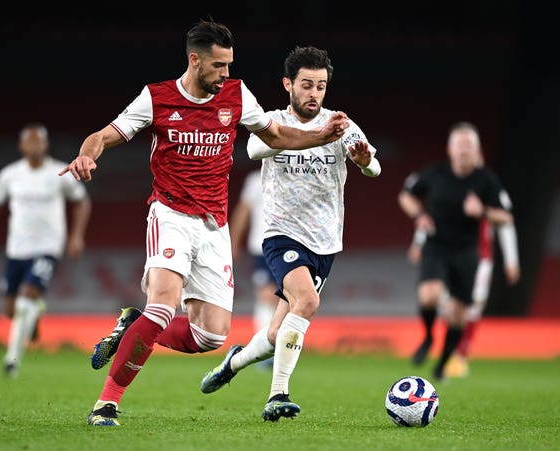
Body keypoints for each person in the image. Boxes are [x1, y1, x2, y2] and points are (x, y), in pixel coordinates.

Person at [58, 19, 349, 427]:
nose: (226, 74)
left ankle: (130, 329)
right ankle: (106, 404)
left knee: (210, 337)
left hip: (214, 225)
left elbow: (277, 135)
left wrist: (321, 138)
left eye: (229, 65)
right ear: (194, 61)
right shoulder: (156, 98)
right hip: (171, 213)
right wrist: (89, 154)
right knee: (161, 307)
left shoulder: (236, 95)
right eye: (218, 66)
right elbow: (103, 135)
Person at [199, 45, 381, 422]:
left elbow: (373, 167)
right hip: (281, 233)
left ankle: (233, 363)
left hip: (326, 241)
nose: (314, 94)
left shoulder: (341, 124)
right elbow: (252, 149)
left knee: (275, 333)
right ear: (288, 85)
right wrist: (314, 136)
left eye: (321, 86)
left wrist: (365, 163)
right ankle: (277, 395)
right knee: (308, 303)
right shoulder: (271, 122)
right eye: (306, 85)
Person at [0, 122, 92, 377]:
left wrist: (76, 237)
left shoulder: (59, 172)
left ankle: (11, 361)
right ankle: (35, 314)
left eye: (40, 142)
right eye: (30, 142)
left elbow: (81, 202)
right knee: (12, 310)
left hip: (48, 247)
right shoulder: (10, 175)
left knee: (26, 297)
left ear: (46, 145)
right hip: (16, 249)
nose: (35, 146)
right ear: (21, 146)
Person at [397, 121, 515, 381]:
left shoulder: (486, 181)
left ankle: (444, 361)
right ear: (450, 149)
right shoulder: (436, 173)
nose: (464, 150)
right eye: (459, 145)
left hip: (465, 252)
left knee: (457, 314)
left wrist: (483, 212)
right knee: (429, 296)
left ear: (476, 150)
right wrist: (420, 215)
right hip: (436, 246)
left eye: (469, 146)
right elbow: (406, 195)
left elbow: (506, 217)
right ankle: (428, 337)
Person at [229, 167, 278, 369]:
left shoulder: (296, 172)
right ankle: (266, 351)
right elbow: (244, 211)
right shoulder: (256, 179)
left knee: (288, 297)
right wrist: (233, 243)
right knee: (267, 295)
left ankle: (278, 345)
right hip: (262, 246)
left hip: (292, 244)